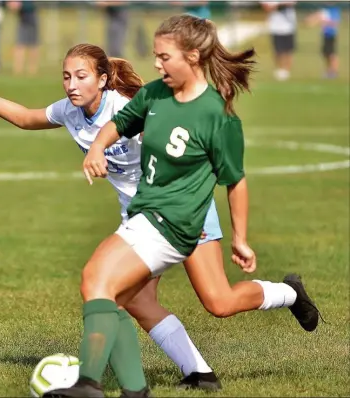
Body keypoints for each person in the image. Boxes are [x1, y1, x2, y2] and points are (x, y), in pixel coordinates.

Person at [47, 14, 321, 397]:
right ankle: (185, 374)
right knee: (197, 302)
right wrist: (96, 146)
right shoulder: (155, 93)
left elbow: (235, 181)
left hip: (177, 219)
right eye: (156, 55)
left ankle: (92, 384)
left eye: (164, 56)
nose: (156, 64)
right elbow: (119, 123)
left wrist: (240, 238)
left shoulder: (217, 115)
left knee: (101, 283)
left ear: (192, 57)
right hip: (147, 214)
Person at [0, 44, 225, 392]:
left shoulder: (125, 109)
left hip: (179, 210)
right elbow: (26, 118)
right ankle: (188, 377)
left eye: (81, 76)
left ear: (103, 80)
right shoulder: (70, 111)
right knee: (122, 297)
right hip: (141, 219)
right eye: (66, 77)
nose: (71, 85)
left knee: (218, 301)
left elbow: (170, 144)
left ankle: (286, 294)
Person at [261, 1, 297, 81]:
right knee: (277, 51)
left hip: (289, 28)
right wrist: (279, 5)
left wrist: (280, 5)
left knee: (289, 50)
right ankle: (280, 69)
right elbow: (267, 8)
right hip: (276, 28)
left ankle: (287, 71)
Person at [306, 2, 341, 79]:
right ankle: (329, 70)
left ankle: (333, 71)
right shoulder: (325, 10)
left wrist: (323, 21)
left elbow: (335, 23)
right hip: (325, 35)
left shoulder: (334, 10)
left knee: (331, 54)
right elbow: (313, 19)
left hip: (331, 35)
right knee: (326, 54)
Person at [8, 1, 40, 75]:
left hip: (32, 18)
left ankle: (32, 70)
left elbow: (32, 4)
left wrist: (20, 5)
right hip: (22, 18)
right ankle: (18, 69)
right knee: (19, 44)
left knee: (33, 45)